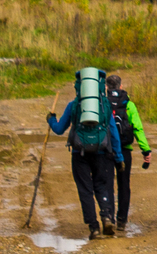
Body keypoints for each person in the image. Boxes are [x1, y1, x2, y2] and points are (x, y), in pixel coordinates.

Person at [46, 79, 124, 239]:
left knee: (85, 190)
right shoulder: (104, 106)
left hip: (79, 153)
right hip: (101, 153)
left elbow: (60, 129)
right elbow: (113, 133)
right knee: (101, 186)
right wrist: (119, 156)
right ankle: (106, 217)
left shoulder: (73, 105)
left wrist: (51, 119)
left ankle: (94, 228)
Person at [105, 74, 151, 231]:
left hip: (105, 150)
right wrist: (145, 150)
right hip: (125, 150)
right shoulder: (128, 105)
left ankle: (108, 217)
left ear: (106, 87)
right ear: (121, 86)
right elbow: (138, 128)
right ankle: (122, 221)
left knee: (107, 184)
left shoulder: (103, 104)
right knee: (124, 185)